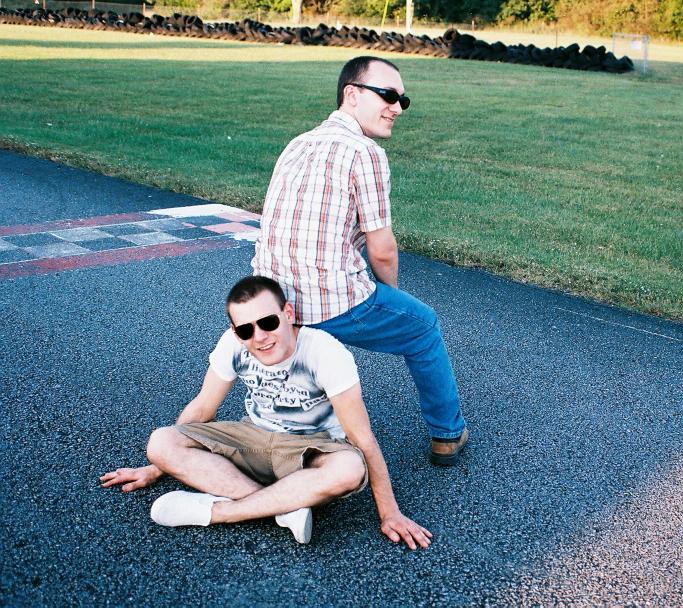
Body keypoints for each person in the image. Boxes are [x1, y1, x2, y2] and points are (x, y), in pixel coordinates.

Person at [100, 276, 432, 549]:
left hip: (310, 447)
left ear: (287, 313)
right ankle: (284, 508)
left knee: (348, 469)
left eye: (268, 322)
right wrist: (156, 468)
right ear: (236, 332)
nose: (259, 337)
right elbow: (203, 407)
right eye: (246, 330)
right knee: (161, 442)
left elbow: (362, 437)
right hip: (254, 436)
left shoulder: (325, 352)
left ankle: (219, 512)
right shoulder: (232, 345)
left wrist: (390, 512)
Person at [252, 56, 469, 466]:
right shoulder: (364, 152)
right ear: (351, 94)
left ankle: (297, 421)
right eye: (387, 95)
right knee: (422, 325)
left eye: (403, 100)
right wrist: (392, 298)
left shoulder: (298, 143)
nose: (397, 107)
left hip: (273, 302)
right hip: (327, 301)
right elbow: (381, 249)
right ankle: (447, 434)